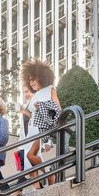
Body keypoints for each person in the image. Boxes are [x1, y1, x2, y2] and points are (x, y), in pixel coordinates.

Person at [20, 58, 62, 186]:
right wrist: (24, 111)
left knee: (30, 156)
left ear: (42, 77)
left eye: (34, 79)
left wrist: (42, 107)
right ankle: (42, 183)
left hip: (42, 129)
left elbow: (58, 108)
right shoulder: (36, 94)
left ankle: (50, 173)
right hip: (33, 129)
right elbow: (33, 115)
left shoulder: (50, 89)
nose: (31, 82)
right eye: (30, 80)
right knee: (31, 159)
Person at [7, 86, 40, 196]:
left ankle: (18, 190)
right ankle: (37, 186)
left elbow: (38, 120)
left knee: (27, 163)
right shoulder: (25, 106)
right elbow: (23, 128)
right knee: (26, 164)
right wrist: (20, 144)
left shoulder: (37, 103)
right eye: (25, 92)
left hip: (35, 139)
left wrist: (23, 111)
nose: (27, 94)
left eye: (29, 91)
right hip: (25, 140)